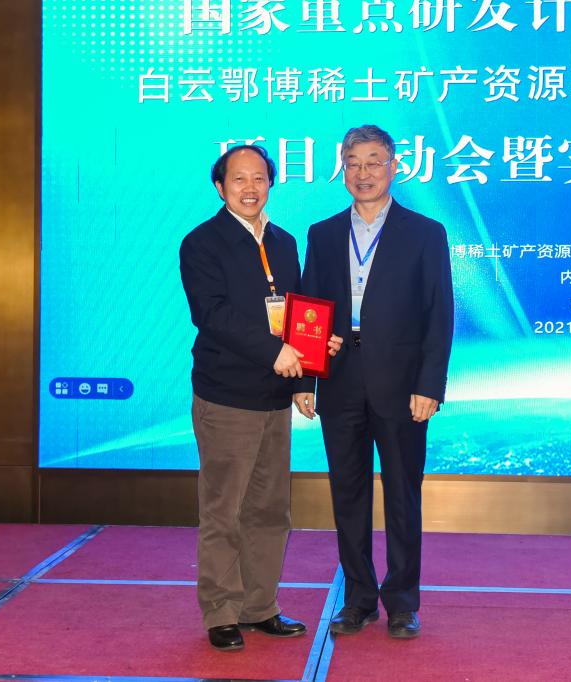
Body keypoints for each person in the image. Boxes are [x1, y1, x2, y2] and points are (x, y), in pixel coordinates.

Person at [294, 124, 454, 639]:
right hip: (340, 380)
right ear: (342, 169)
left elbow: (439, 314)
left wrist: (430, 385)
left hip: (403, 384)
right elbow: (309, 311)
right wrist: (306, 381)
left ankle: (403, 602)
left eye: (373, 161)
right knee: (348, 493)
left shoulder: (425, 232)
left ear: (394, 167)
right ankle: (358, 598)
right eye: (353, 163)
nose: (363, 173)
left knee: (403, 493)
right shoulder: (322, 234)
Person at [179, 145, 341, 651]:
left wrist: (306, 374)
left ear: (270, 183)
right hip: (226, 396)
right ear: (220, 187)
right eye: (238, 179)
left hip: (275, 398)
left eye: (259, 178)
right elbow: (212, 315)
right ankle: (221, 611)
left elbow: (299, 314)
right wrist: (276, 352)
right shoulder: (202, 243)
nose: (250, 188)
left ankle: (259, 606)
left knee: (270, 510)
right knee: (224, 511)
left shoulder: (284, 242)